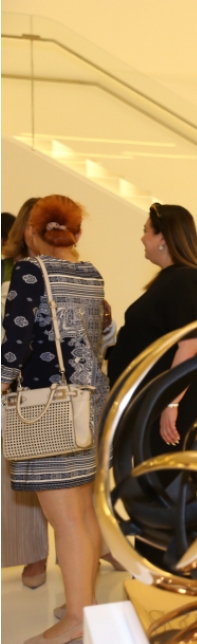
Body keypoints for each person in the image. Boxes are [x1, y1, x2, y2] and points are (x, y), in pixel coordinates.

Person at [1, 195, 111, 644]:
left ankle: (78, 618)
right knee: (82, 512)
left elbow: (15, 342)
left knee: (65, 520)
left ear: (31, 231)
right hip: (88, 402)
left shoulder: (30, 271)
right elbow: (101, 336)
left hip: (48, 407)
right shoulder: (91, 273)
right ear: (75, 232)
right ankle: (83, 603)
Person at [106, 203, 197, 568]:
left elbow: (192, 345)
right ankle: (164, 572)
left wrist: (172, 403)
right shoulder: (177, 278)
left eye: (147, 230)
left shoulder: (185, 280)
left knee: (168, 492)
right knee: (162, 491)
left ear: (164, 237)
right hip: (163, 402)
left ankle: (171, 576)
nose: (142, 238)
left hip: (175, 406)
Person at [1, 199, 51, 589]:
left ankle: (98, 547)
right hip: (16, 387)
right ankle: (34, 553)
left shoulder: (69, 270)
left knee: (72, 477)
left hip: (58, 388)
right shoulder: (11, 273)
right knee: (20, 477)